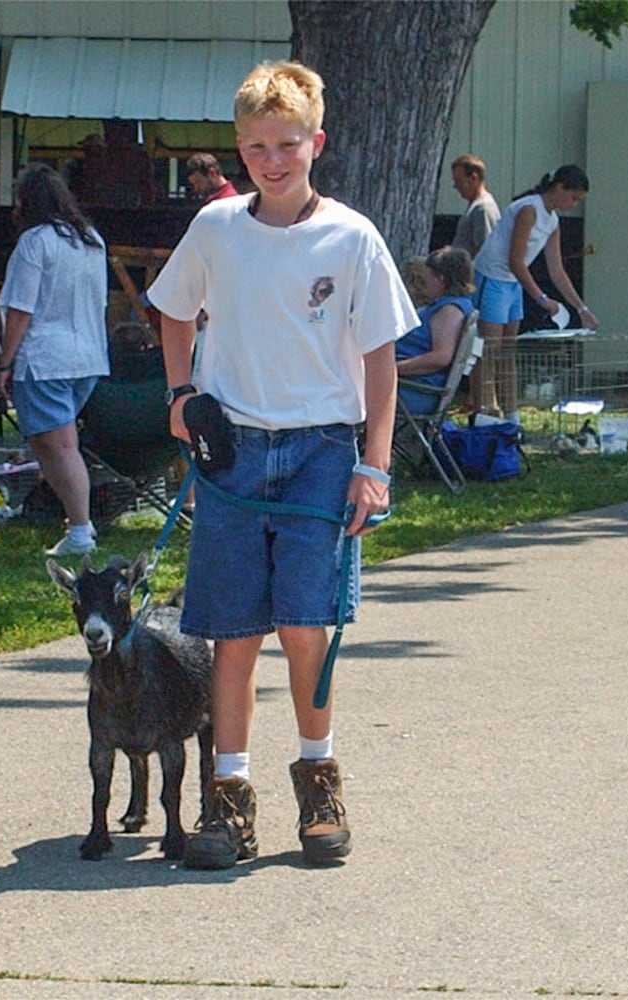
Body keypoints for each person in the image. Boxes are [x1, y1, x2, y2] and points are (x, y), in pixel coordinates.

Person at [146, 60, 414, 871]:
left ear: (316, 143)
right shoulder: (216, 228)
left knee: (307, 628)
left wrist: (375, 465)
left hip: (321, 452)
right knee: (233, 635)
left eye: (287, 144)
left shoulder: (352, 237)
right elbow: (171, 311)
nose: (273, 159)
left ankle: (320, 780)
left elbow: (380, 359)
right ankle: (227, 801)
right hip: (232, 449)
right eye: (258, 145)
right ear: (239, 149)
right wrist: (180, 397)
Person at [0, 164, 111, 558]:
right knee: (48, 445)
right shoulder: (91, 239)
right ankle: (74, 523)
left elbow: (20, 310)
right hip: (89, 356)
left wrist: (5, 362)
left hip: (45, 358)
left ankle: (80, 529)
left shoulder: (34, 242)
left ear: (27, 201)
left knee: (60, 448)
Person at [470, 164, 596, 418]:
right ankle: (484, 413)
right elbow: (515, 260)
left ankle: (511, 416)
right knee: (489, 351)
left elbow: (556, 270)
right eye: (573, 197)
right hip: (494, 278)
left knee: (508, 351)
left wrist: (581, 309)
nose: (573, 204)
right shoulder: (529, 209)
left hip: (512, 284)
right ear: (559, 187)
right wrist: (541, 298)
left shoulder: (553, 221)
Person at [394, 247, 475, 416]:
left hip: (413, 390)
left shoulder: (450, 311)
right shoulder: (447, 305)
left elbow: (441, 357)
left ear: (440, 279)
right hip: (404, 383)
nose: (425, 282)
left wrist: (392, 369)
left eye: (428, 277)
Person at [447, 154, 500, 258]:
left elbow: (485, 252)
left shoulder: (483, 208)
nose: (455, 186)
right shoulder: (475, 207)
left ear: (473, 178)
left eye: (458, 181)